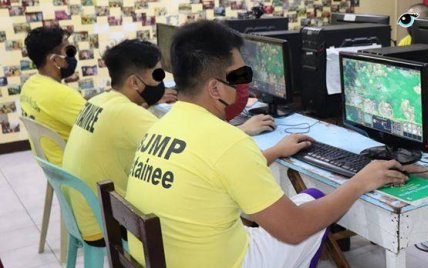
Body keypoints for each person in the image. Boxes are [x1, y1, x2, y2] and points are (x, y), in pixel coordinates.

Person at [125, 21, 406, 268]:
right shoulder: (227, 142)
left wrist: (272, 152)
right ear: (216, 88)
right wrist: (360, 181)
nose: (246, 84)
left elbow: (210, 173)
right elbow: (296, 227)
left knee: (273, 226)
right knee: (308, 211)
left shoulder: (161, 126)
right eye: (240, 75)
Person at [63, 39, 277, 246]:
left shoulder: (100, 100)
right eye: (157, 75)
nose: (162, 82)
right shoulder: (126, 114)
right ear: (135, 82)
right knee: (209, 196)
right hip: (108, 225)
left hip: (89, 212)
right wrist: (244, 129)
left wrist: (149, 102)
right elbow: (193, 147)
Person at [20, 26, 85, 166]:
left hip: (54, 170)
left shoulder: (29, 86)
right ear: (55, 60)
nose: (73, 55)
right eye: (68, 51)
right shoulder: (62, 95)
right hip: (77, 174)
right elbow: (105, 128)